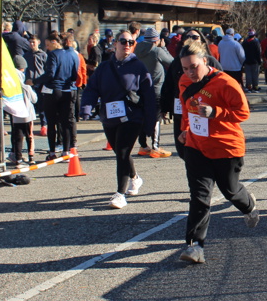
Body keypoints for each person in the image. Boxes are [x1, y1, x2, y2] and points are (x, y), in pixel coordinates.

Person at [176, 40, 259, 263]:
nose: (190, 73)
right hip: (196, 146)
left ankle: (248, 205)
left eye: (194, 67)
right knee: (200, 197)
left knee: (230, 190)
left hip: (226, 147)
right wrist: (184, 129)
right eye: (185, 68)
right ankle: (195, 246)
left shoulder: (225, 82)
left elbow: (243, 113)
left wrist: (215, 112)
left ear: (205, 61)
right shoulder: (184, 81)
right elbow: (186, 108)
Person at [82, 30, 158, 208]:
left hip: (132, 116)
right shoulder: (104, 68)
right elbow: (92, 88)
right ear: (115, 43)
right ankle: (135, 178)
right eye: (123, 41)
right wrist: (86, 108)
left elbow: (149, 96)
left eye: (131, 42)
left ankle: (120, 194)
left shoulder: (138, 67)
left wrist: (150, 123)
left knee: (123, 152)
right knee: (120, 152)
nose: (127, 45)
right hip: (110, 117)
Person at [161, 30, 222, 158]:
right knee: (183, 147)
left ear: (202, 40)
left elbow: (222, 85)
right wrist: (164, 107)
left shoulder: (210, 61)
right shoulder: (176, 62)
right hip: (181, 111)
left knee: (203, 147)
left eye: (195, 37)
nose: (191, 39)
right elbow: (168, 86)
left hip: (205, 111)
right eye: (187, 37)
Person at [31, 31, 79, 160]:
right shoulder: (73, 54)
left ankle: (52, 152)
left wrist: (35, 81)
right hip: (68, 90)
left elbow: (50, 74)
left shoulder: (53, 54)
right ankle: (66, 151)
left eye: (47, 45)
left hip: (53, 91)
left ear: (54, 42)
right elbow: (75, 75)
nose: (47, 48)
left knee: (52, 122)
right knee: (65, 122)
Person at [134, 26, 174, 158]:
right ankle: (155, 147)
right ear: (156, 40)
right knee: (156, 118)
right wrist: (164, 48)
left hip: (141, 88)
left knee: (143, 117)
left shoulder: (137, 49)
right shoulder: (157, 51)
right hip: (156, 89)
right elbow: (172, 62)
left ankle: (143, 146)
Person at [8, 54, 38, 166]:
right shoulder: (26, 87)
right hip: (28, 115)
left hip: (16, 115)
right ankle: (31, 157)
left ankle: (18, 158)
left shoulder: (12, 88)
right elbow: (34, 99)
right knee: (29, 136)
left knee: (18, 137)